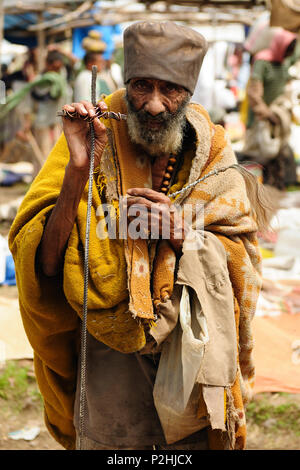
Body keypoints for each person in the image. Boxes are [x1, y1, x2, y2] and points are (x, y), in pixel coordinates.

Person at [9, 21, 265, 451]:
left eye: (170, 90)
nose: (153, 105)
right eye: (141, 86)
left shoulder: (213, 150)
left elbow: (242, 253)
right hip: (108, 353)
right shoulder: (93, 132)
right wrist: (77, 168)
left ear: (190, 90)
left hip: (188, 344)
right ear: (125, 83)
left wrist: (184, 235)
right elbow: (44, 264)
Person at [240, 29, 298, 189]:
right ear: (280, 45)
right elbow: (254, 94)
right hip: (261, 119)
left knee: (277, 157)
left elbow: (284, 87)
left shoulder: (283, 63)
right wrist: (267, 114)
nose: (289, 53)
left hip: (277, 119)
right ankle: (257, 192)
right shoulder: (262, 62)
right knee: (260, 157)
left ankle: (275, 190)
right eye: (288, 49)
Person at [31, 50, 67, 160]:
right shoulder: (40, 81)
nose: (56, 71)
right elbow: (33, 100)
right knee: (43, 152)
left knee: (56, 153)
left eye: (58, 68)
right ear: (47, 64)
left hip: (57, 121)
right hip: (42, 122)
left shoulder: (61, 79)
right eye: (54, 67)